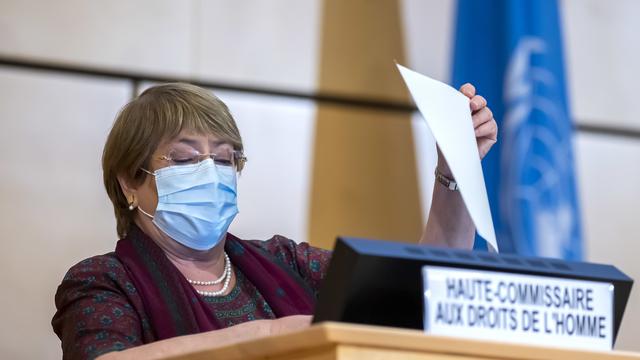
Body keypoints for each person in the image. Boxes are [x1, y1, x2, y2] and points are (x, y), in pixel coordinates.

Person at [52, 82, 497, 359]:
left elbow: (420, 292)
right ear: (130, 181)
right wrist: (270, 336)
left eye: (225, 159)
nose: (210, 171)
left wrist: (455, 170)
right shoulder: (101, 282)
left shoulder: (287, 262)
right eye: (187, 158)